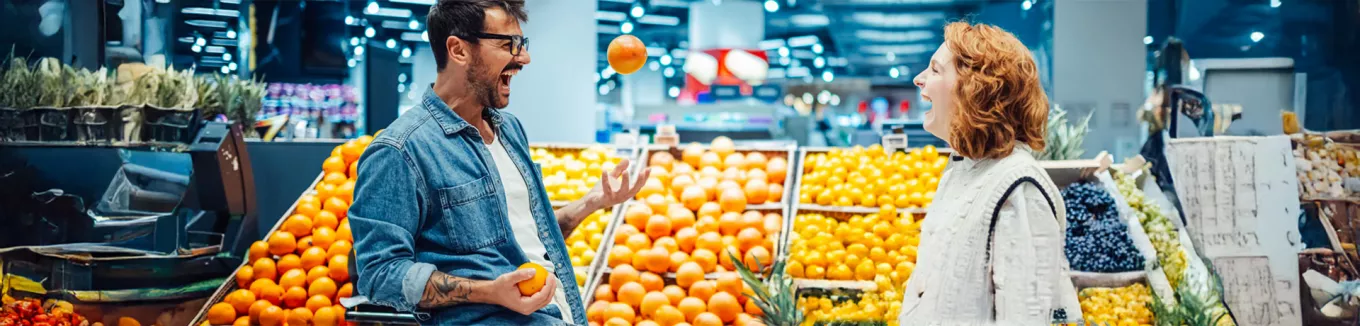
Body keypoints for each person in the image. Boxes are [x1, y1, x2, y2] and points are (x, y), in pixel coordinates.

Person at [346, 1, 649, 325]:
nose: (524, 58)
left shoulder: (509, 130)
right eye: (509, 45)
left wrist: (590, 203)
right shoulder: (400, 150)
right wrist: (489, 292)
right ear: (458, 50)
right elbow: (379, 275)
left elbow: (525, 236)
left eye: (522, 43)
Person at [897, 22, 1080, 324]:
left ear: (976, 90)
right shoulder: (965, 168)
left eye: (935, 70)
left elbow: (1026, 316)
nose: (919, 79)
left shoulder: (1020, 190)